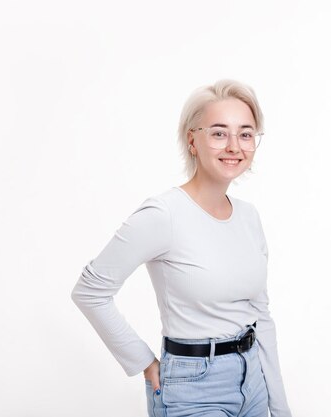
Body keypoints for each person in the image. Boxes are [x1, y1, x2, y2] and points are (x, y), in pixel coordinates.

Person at [71, 79, 292, 417]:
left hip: (254, 382)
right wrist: (143, 361)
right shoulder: (164, 215)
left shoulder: (249, 217)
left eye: (245, 134)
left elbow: (261, 315)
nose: (234, 145)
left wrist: (280, 407)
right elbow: (90, 291)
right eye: (219, 133)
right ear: (193, 139)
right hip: (194, 389)